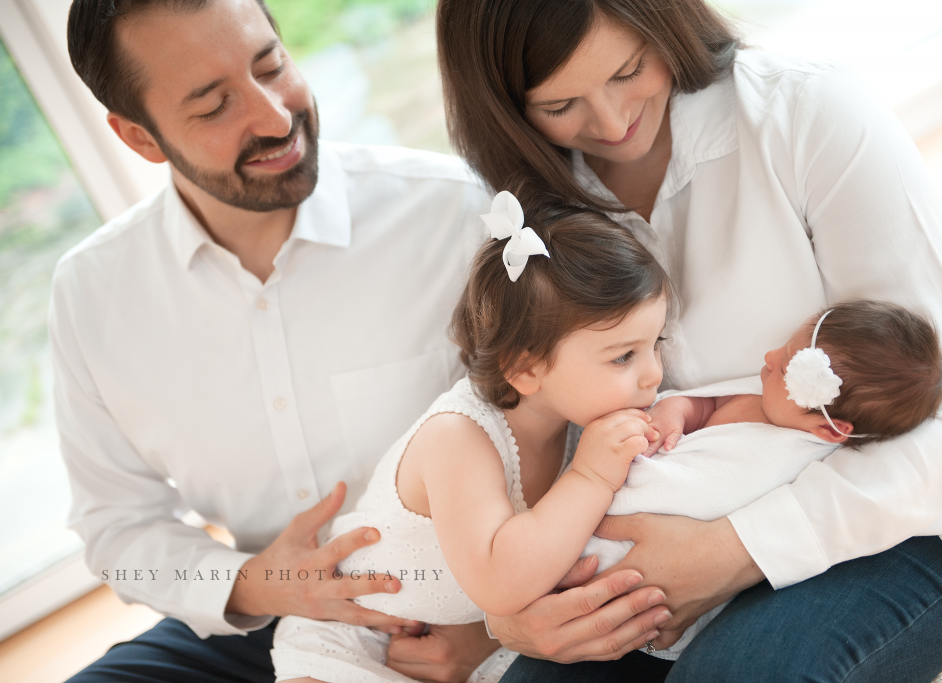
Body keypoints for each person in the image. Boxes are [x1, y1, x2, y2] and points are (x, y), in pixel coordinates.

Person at [54, 1, 670, 681]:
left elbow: (593, 394)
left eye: (271, 65)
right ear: (139, 137)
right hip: (264, 611)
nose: (273, 116)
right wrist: (257, 582)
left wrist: (491, 624)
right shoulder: (93, 294)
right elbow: (118, 523)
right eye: (213, 105)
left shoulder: (455, 213)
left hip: (475, 593)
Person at [433, 1, 942, 681]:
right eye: (561, 104)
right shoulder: (531, 221)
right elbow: (524, 422)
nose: (611, 120)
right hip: (664, 536)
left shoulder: (808, 116)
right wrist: (510, 605)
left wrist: (731, 550)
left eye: (628, 70)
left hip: (911, 516)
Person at [270, 192, 668, 683]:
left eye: (658, 343)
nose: (654, 375)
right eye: (624, 356)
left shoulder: (583, 418)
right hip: (355, 639)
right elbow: (501, 580)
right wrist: (589, 477)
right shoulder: (458, 438)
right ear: (526, 369)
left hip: (473, 647)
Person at [583, 299, 942, 663]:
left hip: (652, 547)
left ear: (829, 428)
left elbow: (701, 494)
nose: (770, 356)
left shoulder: (788, 457)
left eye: (785, 364)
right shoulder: (769, 396)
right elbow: (706, 404)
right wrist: (676, 410)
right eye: (786, 346)